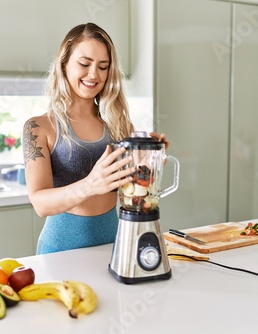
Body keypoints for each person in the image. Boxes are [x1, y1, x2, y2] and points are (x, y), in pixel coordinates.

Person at [22, 23, 169, 255]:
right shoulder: (39, 127)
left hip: (115, 241)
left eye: (103, 67)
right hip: (61, 249)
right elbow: (40, 203)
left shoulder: (120, 125)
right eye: (84, 63)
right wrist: (91, 184)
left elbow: (131, 190)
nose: (93, 74)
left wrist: (147, 162)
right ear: (64, 63)